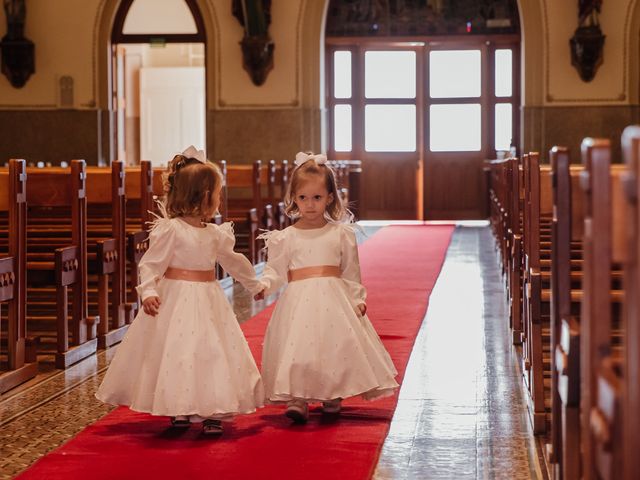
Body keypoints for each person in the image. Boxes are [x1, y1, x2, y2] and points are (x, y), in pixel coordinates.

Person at [96, 146, 264, 435]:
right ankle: (179, 406)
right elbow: (150, 265)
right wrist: (148, 292)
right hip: (175, 298)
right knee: (178, 351)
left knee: (210, 350)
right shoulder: (170, 230)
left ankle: (214, 409)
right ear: (202, 196)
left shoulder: (215, 233)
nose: (220, 199)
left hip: (208, 298)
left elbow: (233, 261)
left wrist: (254, 283)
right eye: (217, 193)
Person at [255, 151, 399, 423]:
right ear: (293, 199)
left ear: (330, 198)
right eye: (303, 198)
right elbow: (276, 271)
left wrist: (357, 298)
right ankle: (297, 397)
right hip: (298, 300)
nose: (309, 205)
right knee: (298, 346)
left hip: (334, 299)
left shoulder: (340, 234)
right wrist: (265, 284)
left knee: (332, 344)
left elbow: (351, 272)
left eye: (317, 198)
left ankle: (332, 393)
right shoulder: (285, 237)